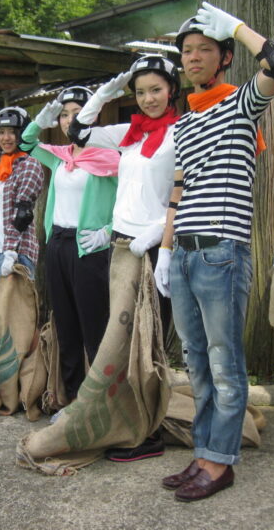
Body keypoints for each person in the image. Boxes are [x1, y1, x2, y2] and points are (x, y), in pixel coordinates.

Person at [154, 2, 274, 501]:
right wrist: (166, 252)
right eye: (187, 51)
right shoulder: (185, 123)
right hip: (186, 252)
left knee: (224, 359)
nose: (193, 57)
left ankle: (221, 461)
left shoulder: (239, 105)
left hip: (221, 251)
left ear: (224, 58)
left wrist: (235, 27)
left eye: (204, 49)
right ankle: (204, 452)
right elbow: (178, 190)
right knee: (195, 360)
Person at [68, 55, 182, 461]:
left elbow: (189, 189)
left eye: (156, 89)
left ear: (172, 90)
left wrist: (160, 236)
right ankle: (126, 422)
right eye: (140, 92)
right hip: (120, 248)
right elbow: (78, 132)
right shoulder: (129, 134)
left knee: (147, 345)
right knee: (119, 342)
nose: (149, 98)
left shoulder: (181, 132)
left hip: (154, 247)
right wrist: (101, 95)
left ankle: (147, 433)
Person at [19, 86, 120, 403]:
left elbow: (129, 201)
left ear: (92, 116)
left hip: (89, 248)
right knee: (65, 323)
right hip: (59, 245)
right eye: (64, 115)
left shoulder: (109, 159)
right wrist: (39, 121)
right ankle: (73, 399)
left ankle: (102, 401)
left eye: (77, 113)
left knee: (95, 326)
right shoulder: (59, 157)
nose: (68, 120)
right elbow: (25, 144)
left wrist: (109, 232)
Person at [0, 107, 44, 281]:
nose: (6, 138)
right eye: (1, 132)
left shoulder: (29, 164)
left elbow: (23, 214)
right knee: (1, 307)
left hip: (17, 251)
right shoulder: (5, 162)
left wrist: (11, 251)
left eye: (12, 132)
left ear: (22, 133)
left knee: (19, 307)